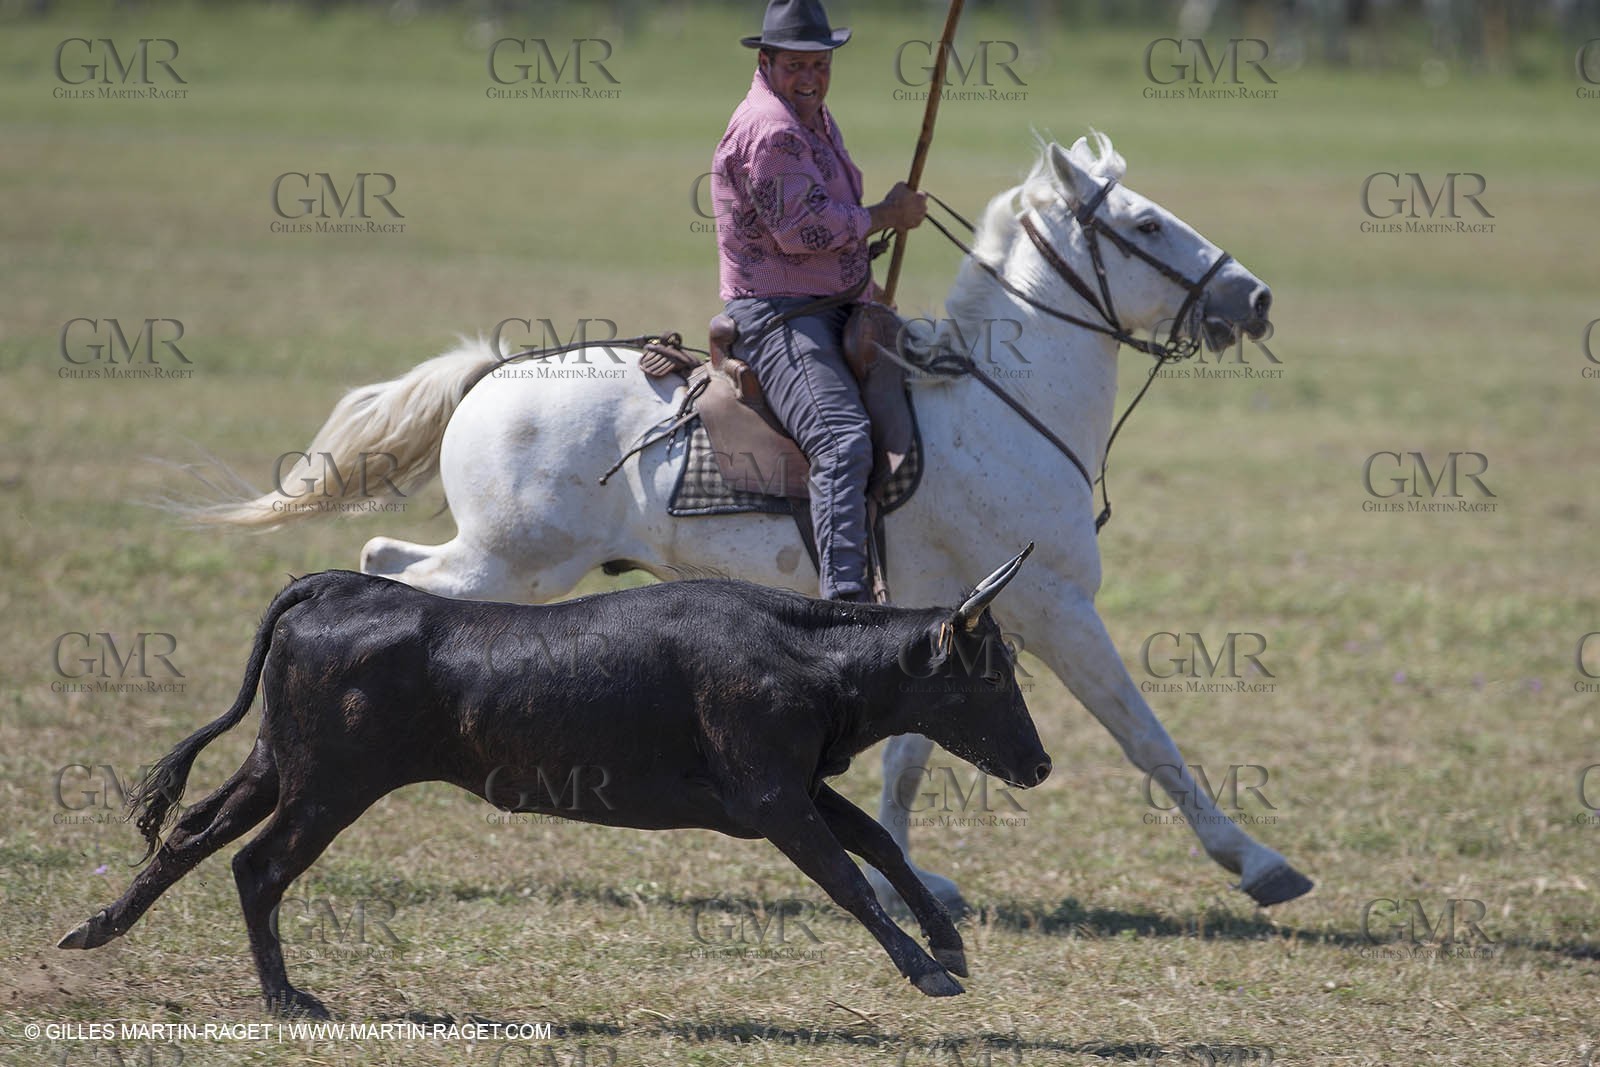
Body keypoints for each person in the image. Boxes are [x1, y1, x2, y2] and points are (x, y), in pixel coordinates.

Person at [711, 0, 927, 603]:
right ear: (767, 61)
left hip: (829, 301)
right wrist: (886, 215)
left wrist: (867, 291)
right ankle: (846, 607)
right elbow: (800, 230)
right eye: (796, 66)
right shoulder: (772, 129)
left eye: (821, 65)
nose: (810, 78)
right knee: (840, 438)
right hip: (779, 313)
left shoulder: (814, 118)